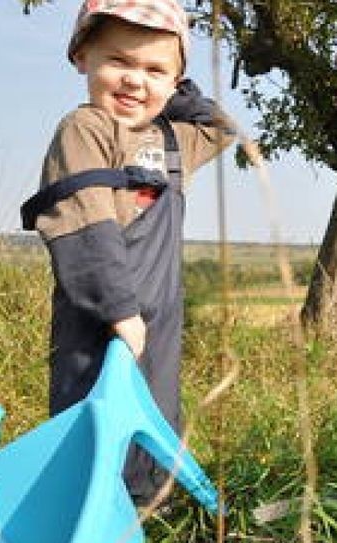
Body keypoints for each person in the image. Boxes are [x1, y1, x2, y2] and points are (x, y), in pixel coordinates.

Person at [21, 0, 233, 507]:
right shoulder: (85, 129)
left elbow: (221, 129)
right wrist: (119, 310)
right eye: (119, 62)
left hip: (159, 316)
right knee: (90, 415)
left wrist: (173, 91)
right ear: (82, 57)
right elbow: (85, 222)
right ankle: (79, 522)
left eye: (155, 69)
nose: (135, 80)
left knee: (154, 417)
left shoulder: (172, 139)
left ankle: (141, 522)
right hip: (100, 311)